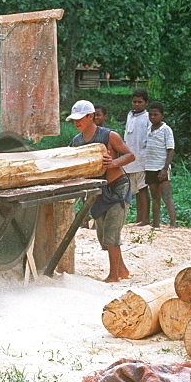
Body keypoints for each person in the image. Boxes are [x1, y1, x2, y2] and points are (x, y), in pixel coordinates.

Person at [67, 99, 136, 282]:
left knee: (112, 234)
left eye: (79, 119)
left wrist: (113, 163)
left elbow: (130, 155)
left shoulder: (109, 135)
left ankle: (113, 276)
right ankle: (122, 269)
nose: (76, 123)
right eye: (74, 120)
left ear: (90, 117)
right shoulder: (77, 141)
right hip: (96, 191)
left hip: (117, 188)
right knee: (103, 236)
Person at [143, 100, 177, 228]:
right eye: (150, 114)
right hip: (150, 167)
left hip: (161, 168)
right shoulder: (148, 130)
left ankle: (173, 223)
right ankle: (155, 223)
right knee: (155, 197)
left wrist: (165, 168)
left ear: (162, 115)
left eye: (155, 114)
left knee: (166, 196)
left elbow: (170, 149)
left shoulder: (166, 130)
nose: (152, 117)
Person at [123, 88, 151, 225]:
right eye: (134, 102)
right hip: (130, 161)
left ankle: (145, 219)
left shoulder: (147, 117)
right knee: (134, 190)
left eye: (140, 102)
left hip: (142, 160)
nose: (136, 104)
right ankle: (138, 219)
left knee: (143, 189)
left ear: (146, 103)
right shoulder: (130, 115)